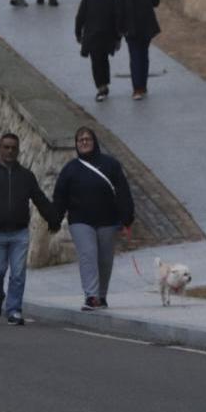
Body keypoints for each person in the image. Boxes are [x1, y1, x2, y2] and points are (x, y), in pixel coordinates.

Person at [0, 132, 56, 325]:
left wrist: (53, 219)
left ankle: (14, 310)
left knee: (18, 273)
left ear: (18, 151)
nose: (10, 151)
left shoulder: (26, 176)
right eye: (6, 147)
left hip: (19, 233)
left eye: (13, 148)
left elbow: (39, 199)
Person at [50, 127, 134, 311]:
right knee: (88, 255)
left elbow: (122, 191)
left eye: (87, 139)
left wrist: (127, 217)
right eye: (80, 140)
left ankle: (102, 296)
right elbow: (60, 196)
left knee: (104, 260)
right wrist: (54, 219)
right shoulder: (70, 169)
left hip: (108, 220)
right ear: (76, 144)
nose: (84, 142)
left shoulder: (111, 165)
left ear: (94, 141)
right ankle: (91, 296)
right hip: (80, 221)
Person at [114, 0, 161, 100]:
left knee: (134, 56)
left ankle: (137, 89)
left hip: (130, 26)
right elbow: (156, 1)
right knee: (144, 54)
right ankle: (143, 85)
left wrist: (119, 29)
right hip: (146, 23)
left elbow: (119, 8)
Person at [76, 0, 121, 102]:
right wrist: (118, 37)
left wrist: (78, 34)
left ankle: (101, 87)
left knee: (96, 62)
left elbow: (79, 18)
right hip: (107, 37)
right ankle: (105, 84)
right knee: (104, 60)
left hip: (92, 37)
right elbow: (116, 19)